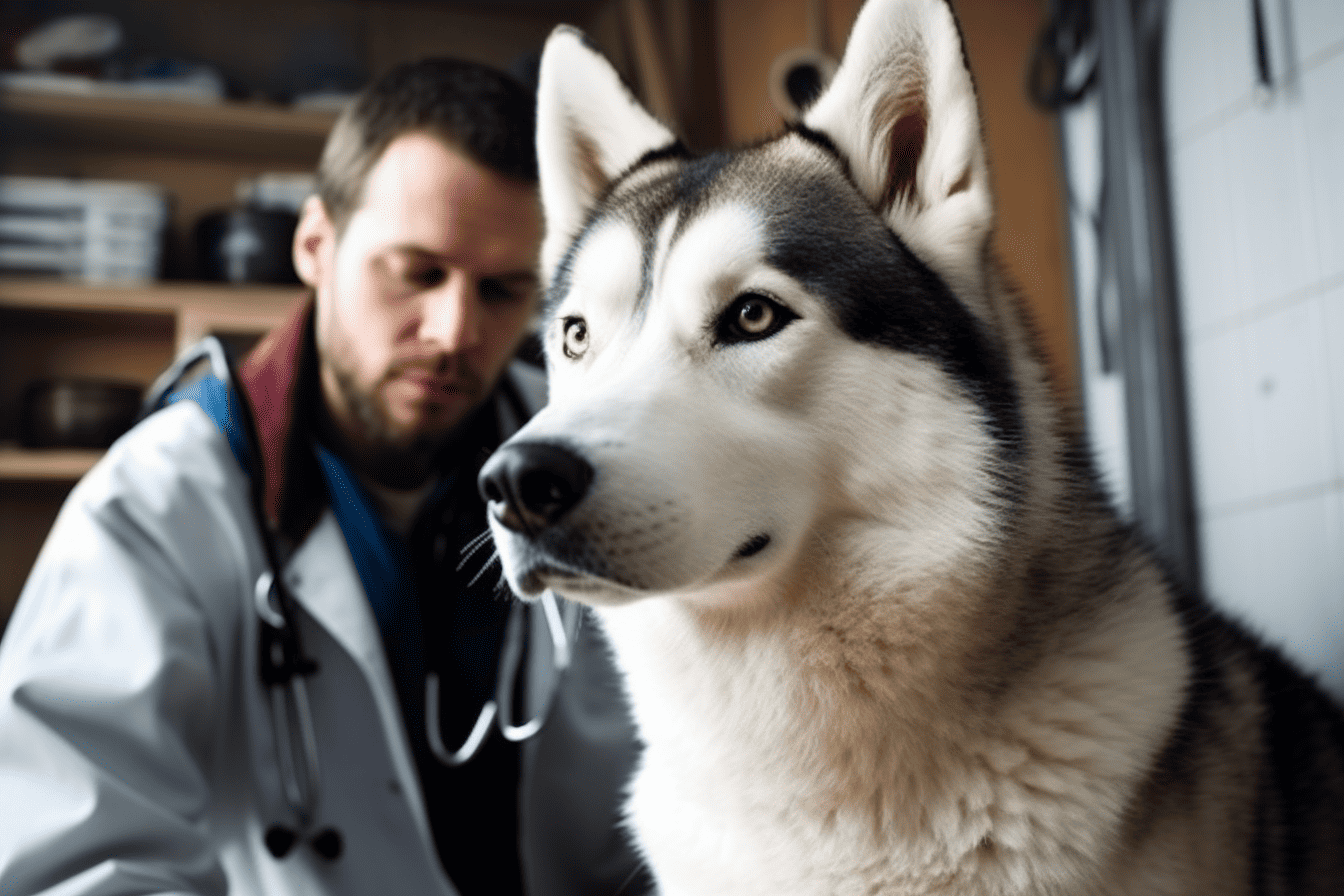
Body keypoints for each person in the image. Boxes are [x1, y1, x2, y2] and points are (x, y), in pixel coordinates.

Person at [0, 58, 648, 896]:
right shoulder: (157, 507)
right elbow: (71, 865)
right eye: (417, 273)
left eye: (501, 290)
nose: (454, 331)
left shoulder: (587, 454)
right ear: (314, 245)